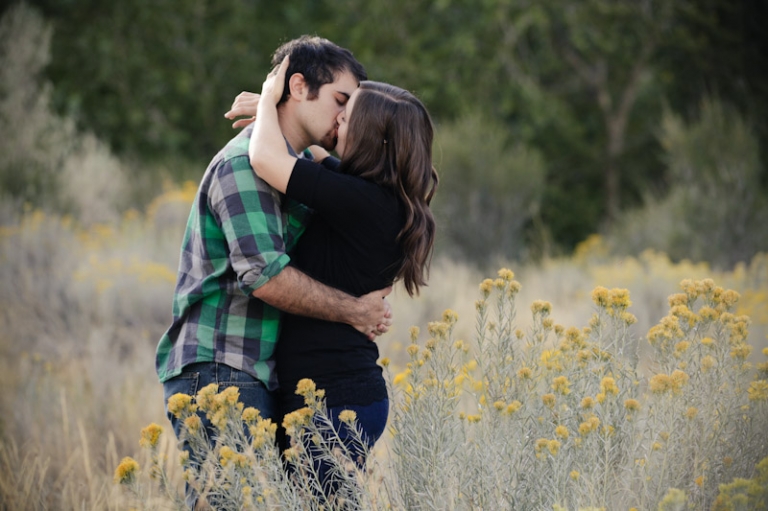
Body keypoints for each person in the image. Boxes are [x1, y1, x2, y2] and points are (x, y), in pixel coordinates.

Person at [155, 36, 392, 509]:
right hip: (221, 364)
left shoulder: (299, 165)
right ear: (299, 86)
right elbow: (264, 275)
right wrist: (353, 311)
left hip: (257, 372)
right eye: (339, 102)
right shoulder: (245, 165)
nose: (344, 118)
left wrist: (267, 102)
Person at [247, 55, 438, 498]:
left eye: (346, 117)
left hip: (333, 401)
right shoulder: (381, 198)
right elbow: (312, 152)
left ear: (371, 138)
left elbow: (265, 157)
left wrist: (271, 95)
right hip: (339, 396)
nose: (336, 124)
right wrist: (278, 111)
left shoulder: (361, 201)